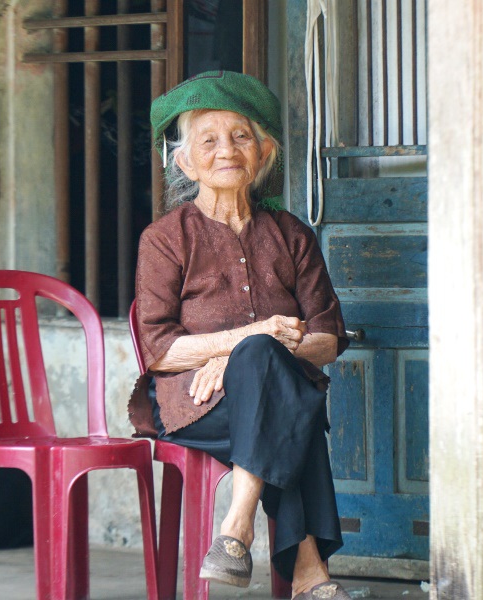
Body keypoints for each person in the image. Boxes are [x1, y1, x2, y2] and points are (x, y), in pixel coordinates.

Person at [129, 70, 353, 600]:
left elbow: (328, 341)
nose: (226, 150)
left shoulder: (293, 235)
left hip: (272, 394)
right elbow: (159, 351)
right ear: (184, 161)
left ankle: (235, 530)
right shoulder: (165, 239)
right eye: (208, 140)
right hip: (196, 404)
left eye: (242, 136)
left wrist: (257, 353)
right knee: (285, 398)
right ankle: (308, 573)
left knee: (267, 372)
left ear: (265, 152)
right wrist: (252, 340)